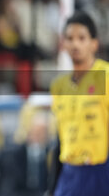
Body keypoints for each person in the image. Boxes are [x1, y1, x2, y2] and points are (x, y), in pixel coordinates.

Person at [48, 11, 109, 196]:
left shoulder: (104, 76)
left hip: (101, 172)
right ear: (63, 43)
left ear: (94, 43)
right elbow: (59, 139)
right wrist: (51, 188)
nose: (75, 44)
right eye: (70, 38)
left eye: (82, 38)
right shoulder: (58, 86)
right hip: (69, 174)